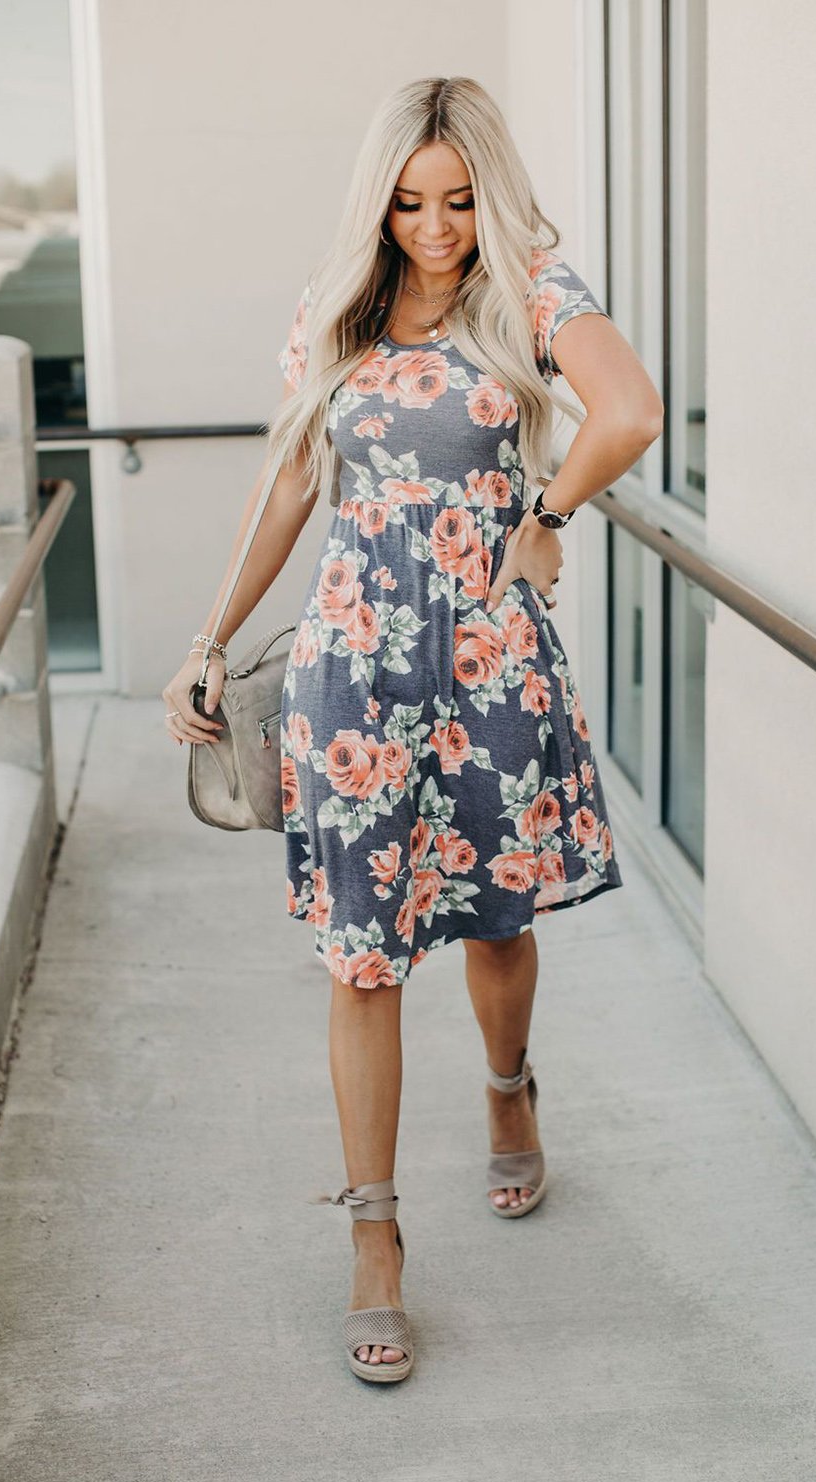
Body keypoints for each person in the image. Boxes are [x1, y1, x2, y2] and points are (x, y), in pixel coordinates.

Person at [162, 76, 663, 1384]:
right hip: (352, 676)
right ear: (376, 197)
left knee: (493, 924)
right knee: (363, 955)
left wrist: (545, 512)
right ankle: (374, 1239)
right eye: (408, 201)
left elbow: (629, 413)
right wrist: (209, 640)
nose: (434, 227)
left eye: (455, 200)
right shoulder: (335, 313)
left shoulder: (537, 290)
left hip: (491, 666)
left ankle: (508, 1086)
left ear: (485, 192)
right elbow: (287, 484)